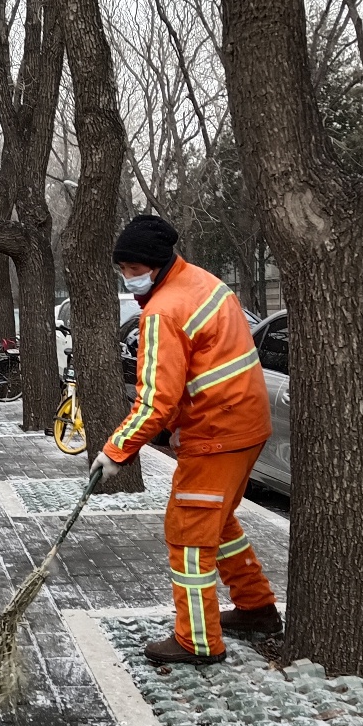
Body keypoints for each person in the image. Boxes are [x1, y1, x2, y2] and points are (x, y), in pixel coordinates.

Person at [90, 215, 280, 665]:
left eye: (130, 270)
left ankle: (197, 640)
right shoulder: (206, 284)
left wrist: (116, 450)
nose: (126, 278)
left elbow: (157, 401)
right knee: (220, 522)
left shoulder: (163, 312)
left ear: (154, 266)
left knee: (188, 533)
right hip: (246, 425)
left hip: (215, 433)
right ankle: (256, 607)